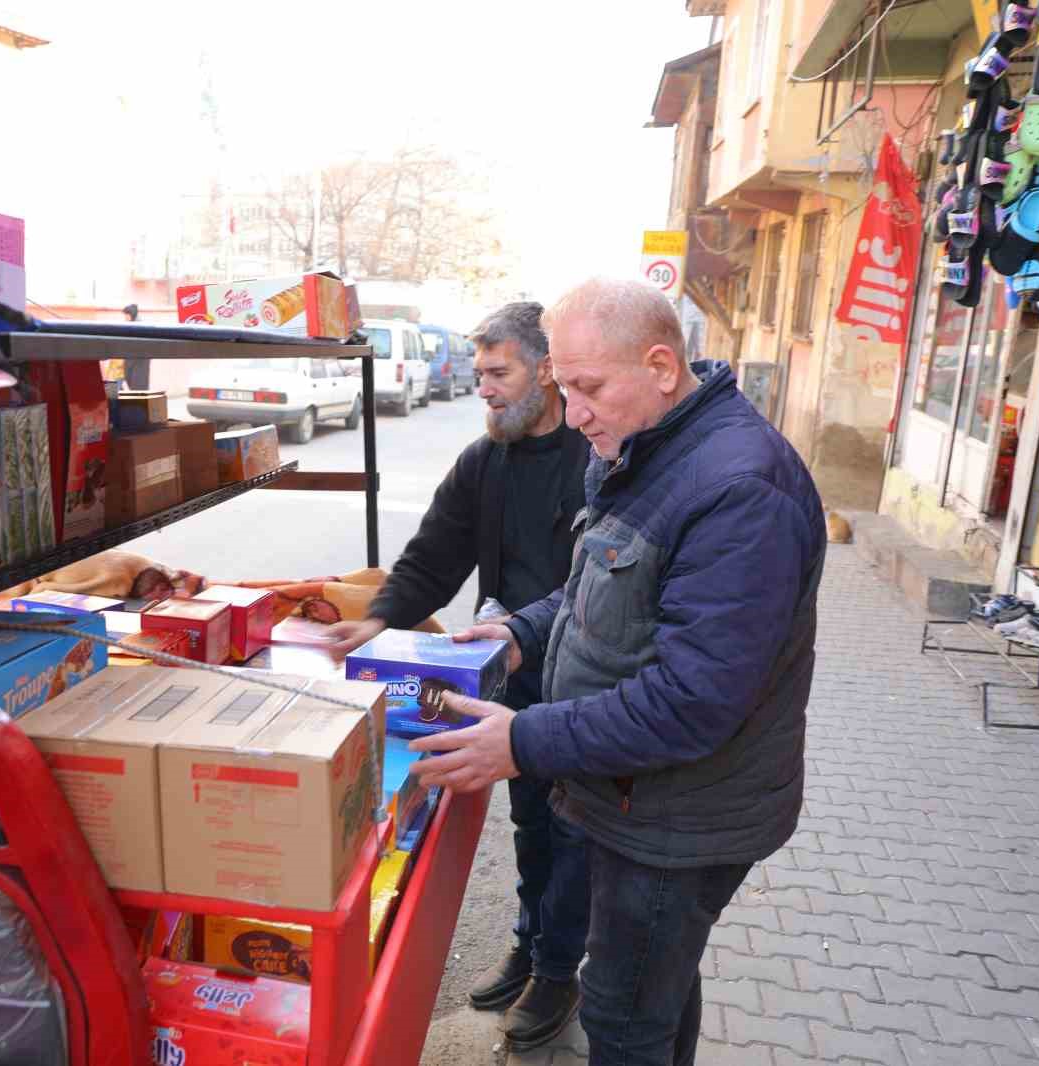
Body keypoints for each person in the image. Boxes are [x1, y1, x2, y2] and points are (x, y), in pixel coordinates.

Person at [412, 277, 825, 1066]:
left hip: (677, 817)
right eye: (564, 388)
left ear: (662, 366)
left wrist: (524, 742)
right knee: (655, 984)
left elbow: (692, 700)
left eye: (589, 387)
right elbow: (603, 583)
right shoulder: (659, 449)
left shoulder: (738, 490)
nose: (574, 413)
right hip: (641, 797)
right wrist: (523, 633)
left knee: (625, 1015)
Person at [326, 301, 594, 1050]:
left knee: (572, 829)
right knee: (530, 821)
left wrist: (523, 632)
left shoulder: (594, 457)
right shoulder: (487, 460)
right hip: (506, 674)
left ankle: (558, 969)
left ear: (546, 370)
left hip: (581, 680)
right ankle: (529, 942)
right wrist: (379, 618)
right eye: (479, 374)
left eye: (498, 372)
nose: (484, 388)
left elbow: (590, 586)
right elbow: (434, 550)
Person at [120, 303, 150, 390]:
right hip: (132, 361)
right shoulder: (131, 325)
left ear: (131, 315)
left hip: (139, 362)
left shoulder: (140, 327)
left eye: (126, 315)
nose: (125, 318)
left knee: (139, 387)